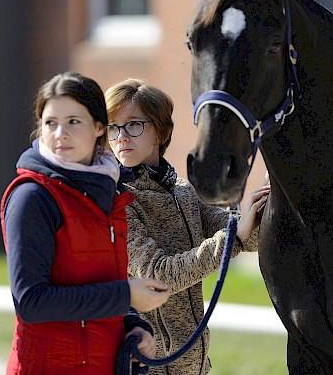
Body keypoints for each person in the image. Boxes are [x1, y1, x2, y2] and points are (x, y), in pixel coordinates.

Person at [0, 72, 171, 374]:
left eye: (73, 122)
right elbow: (30, 302)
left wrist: (133, 325)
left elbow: (98, 284)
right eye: (50, 122)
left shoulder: (110, 192)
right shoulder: (32, 197)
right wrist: (125, 296)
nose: (60, 133)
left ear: (99, 127)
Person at [105, 78, 269, 375]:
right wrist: (236, 236)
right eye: (113, 127)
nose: (121, 137)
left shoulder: (182, 192)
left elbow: (249, 237)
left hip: (195, 367)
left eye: (133, 124)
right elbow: (161, 274)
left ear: (159, 130)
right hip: (147, 368)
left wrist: (269, 196)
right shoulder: (116, 201)